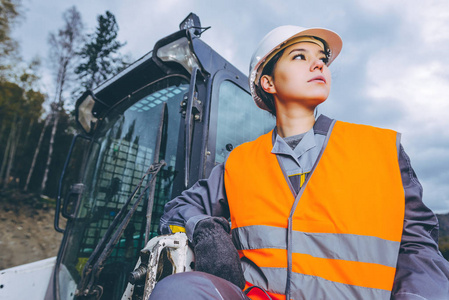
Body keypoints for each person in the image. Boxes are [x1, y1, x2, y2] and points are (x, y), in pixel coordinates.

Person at [149, 25, 449, 300]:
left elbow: (418, 248)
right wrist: (204, 228)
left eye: (322, 58)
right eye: (300, 56)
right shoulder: (239, 163)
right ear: (268, 82)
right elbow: (179, 208)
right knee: (178, 290)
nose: (319, 64)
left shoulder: (381, 149)